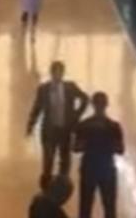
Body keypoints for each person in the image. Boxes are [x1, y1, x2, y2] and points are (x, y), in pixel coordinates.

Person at [27, 61, 89, 189]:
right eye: (55, 72)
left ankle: (62, 186)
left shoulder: (70, 87)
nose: (57, 75)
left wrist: (76, 115)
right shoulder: (44, 89)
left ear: (63, 73)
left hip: (65, 130)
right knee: (48, 161)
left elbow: (85, 98)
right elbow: (37, 108)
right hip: (49, 131)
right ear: (51, 73)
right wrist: (31, 125)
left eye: (60, 72)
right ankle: (46, 187)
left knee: (65, 160)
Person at [73, 92, 124, 218]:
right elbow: (120, 149)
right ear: (107, 104)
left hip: (89, 167)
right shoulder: (113, 126)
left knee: (85, 207)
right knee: (109, 208)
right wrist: (107, 144)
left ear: (92, 104)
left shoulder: (84, 125)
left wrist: (90, 143)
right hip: (107, 168)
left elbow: (76, 147)